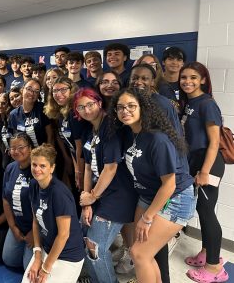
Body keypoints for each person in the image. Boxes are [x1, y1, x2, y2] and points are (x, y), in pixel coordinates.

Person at [109, 88, 195, 283]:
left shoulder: (157, 139)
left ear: (143, 108)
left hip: (175, 197)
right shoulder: (130, 133)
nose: (125, 111)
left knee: (140, 254)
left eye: (131, 106)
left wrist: (147, 218)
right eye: (120, 107)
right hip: (148, 194)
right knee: (140, 252)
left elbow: (169, 184)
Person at [75, 88, 137, 283]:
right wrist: (87, 201)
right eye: (81, 107)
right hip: (98, 192)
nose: (86, 110)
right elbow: (86, 168)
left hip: (118, 195)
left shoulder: (110, 127)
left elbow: (110, 168)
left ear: (99, 103)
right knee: (84, 238)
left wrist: (92, 197)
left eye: (90, 104)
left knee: (95, 245)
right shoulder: (88, 130)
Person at [180, 62, 229, 283]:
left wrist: (203, 172)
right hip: (195, 162)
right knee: (202, 210)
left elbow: (214, 142)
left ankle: (214, 268)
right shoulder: (189, 102)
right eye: (184, 77)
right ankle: (207, 253)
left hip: (209, 163)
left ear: (203, 80)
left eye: (193, 77)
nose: (187, 81)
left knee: (207, 212)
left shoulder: (207, 104)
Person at [22, 143, 85, 283]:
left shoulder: (59, 193)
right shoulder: (33, 185)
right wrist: (37, 255)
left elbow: (63, 235)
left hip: (68, 256)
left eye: (42, 166)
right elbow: (36, 221)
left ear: (52, 168)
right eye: (34, 164)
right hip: (46, 248)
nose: (37, 169)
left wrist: (45, 268)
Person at [2, 133, 35, 270]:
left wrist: (34, 232)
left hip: (36, 227)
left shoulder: (38, 169)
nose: (16, 151)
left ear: (31, 148)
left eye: (21, 147)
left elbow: (44, 207)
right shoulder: (10, 168)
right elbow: (5, 199)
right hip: (18, 224)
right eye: (12, 148)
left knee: (28, 269)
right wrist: (12, 227)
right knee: (9, 260)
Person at [9, 78, 53, 148]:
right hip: (23, 155)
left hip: (42, 154)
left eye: (36, 91)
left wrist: (47, 155)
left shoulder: (43, 108)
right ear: (22, 90)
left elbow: (50, 136)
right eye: (29, 89)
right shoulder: (13, 114)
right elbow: (15, 139)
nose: (32, 93)